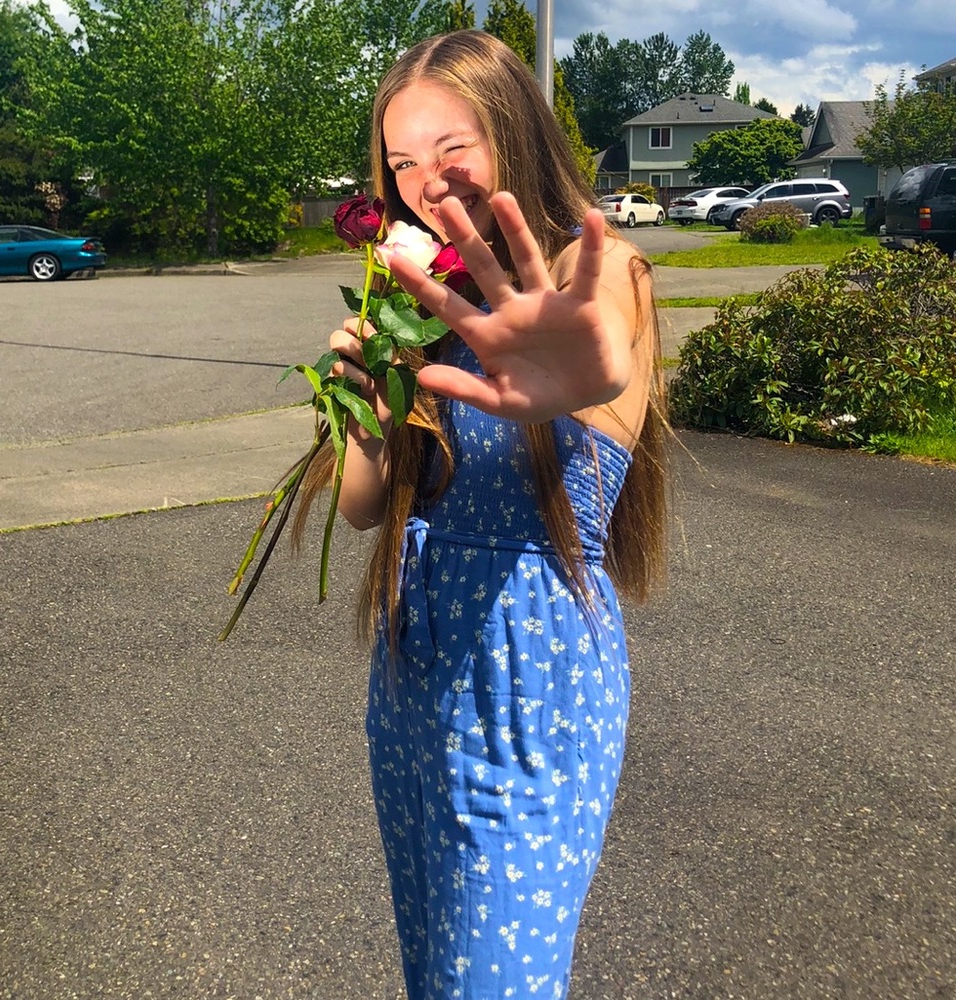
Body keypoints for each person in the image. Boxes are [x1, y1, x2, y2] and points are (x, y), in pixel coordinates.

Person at [300, 29, 667, 1000]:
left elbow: (601, 370)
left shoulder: (599, 274)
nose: (427, 181)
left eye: (452, 148)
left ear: (513, 133)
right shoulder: (410, 292)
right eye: (403, 161)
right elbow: (365, 509)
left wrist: (574, 380)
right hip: (415, 671)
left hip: (528, 680)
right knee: (436, 972)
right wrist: (365, 417)